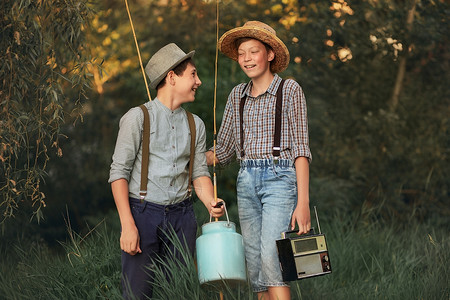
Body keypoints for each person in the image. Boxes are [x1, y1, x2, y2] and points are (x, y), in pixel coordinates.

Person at [109, 43, 224, 299]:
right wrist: (128, 225)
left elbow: (199, 173)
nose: (199, 81)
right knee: (137, 294)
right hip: (142, 215)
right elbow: (118, 173)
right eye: (193, 74)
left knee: (180, 293)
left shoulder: (196, 124)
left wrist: (210, 201)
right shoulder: (136, 118)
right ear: (172, 76)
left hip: (183, 218)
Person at [206, 21, 312, 300]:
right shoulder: (236, 96)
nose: (247, 59)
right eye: (242, 53)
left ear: (270, 54)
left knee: (272, 257)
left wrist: (302, 203)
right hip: (246, 180)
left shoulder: (289, 90)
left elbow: (301, 149)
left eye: (253, 51)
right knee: (254, 264)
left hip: (280, 178)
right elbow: (224, 152)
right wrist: (190, 155)